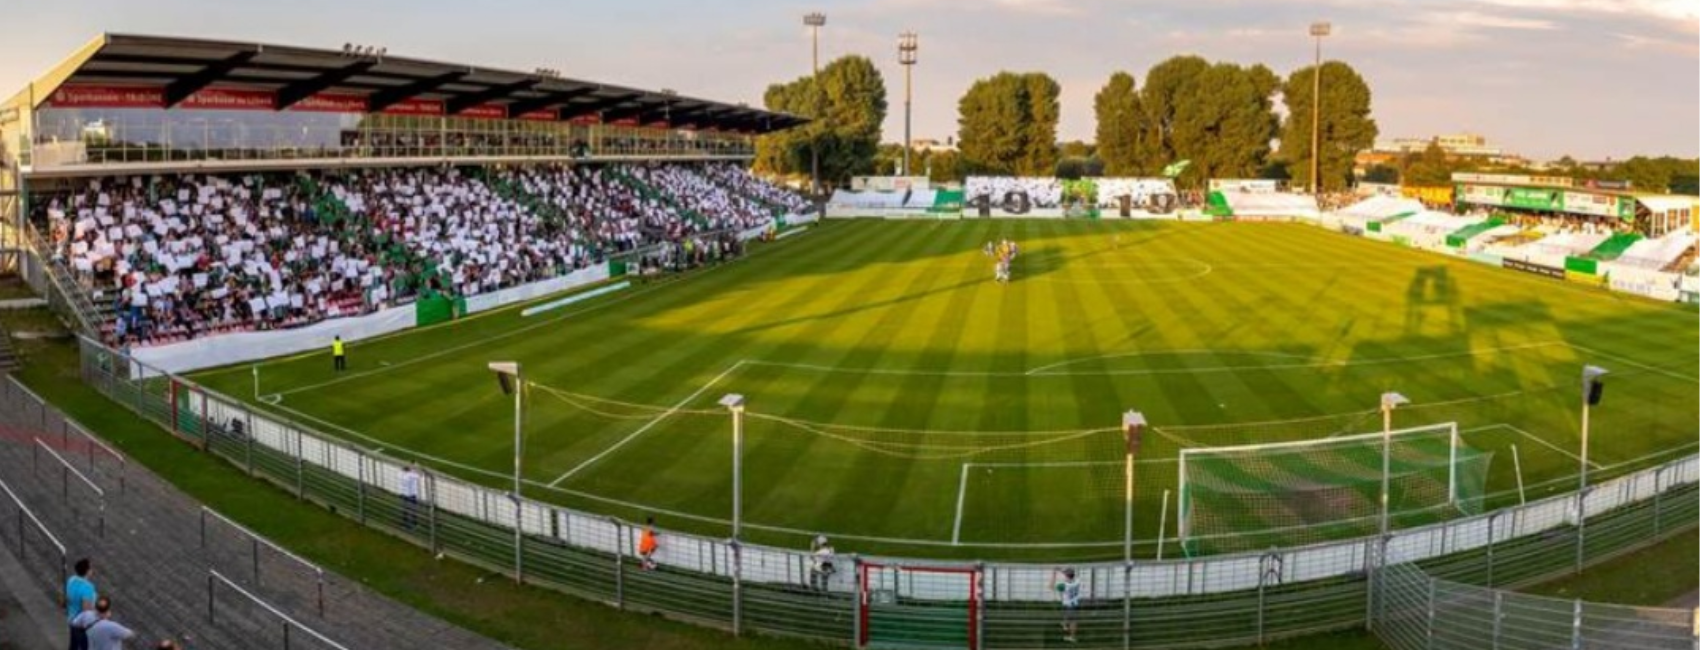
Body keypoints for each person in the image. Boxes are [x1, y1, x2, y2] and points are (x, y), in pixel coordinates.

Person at [65, 557, 96, 650]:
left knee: (73, 646)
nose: (92, 570)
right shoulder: (88, 587)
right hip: (82, 625)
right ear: (87, 571)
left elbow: (67, 599)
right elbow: (86, 610)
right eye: (91, 568)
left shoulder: (71, 580)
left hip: (71, 619)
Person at [1054, 567, 1081, 643]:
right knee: (1067, 614)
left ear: (1066, 575)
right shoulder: (1077, 581)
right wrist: (1060, 570)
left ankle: (1072, 637)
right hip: (1074, 603)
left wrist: (1054, 574)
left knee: (1073, 622)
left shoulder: (1063, 585)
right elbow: (1069, 575)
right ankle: (1064, 624)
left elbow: (1051, 587)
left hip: (1070, 605)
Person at [399, 463, 421, 530]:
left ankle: (404, 524)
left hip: (403, 494)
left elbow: (406, 470)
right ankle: (414, 524)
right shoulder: (411, 475)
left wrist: (412, 468)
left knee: (405, 509)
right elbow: (420, 475)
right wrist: (417, 467)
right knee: (413, 509)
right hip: (411, 494)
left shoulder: (400, 473)